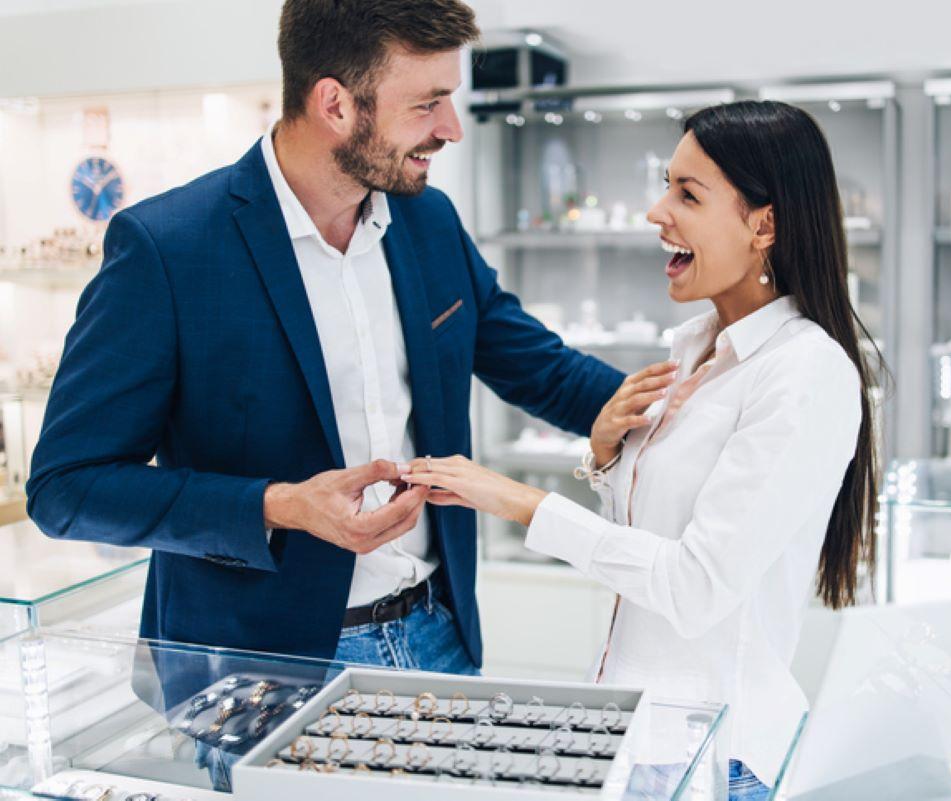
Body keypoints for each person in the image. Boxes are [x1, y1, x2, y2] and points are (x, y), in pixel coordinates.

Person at [26, 0, 621, 683]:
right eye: (428, 104)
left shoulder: (429, 220)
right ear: (335, 104)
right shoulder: (168, 247)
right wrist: (278, 504)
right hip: (259, 667)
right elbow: (66, 488)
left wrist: (694, 397)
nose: (451, 129)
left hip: (439, 639)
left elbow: (541, 368)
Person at [399, 100, 883, 798]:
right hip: (638, 737)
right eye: (666, 185)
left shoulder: (805, 372)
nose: (657, 212)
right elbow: (657, 535)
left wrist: (523, 503)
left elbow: (694, 587)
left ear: (764, 225)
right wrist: (605, 459)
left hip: (718, 756)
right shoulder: (692, 351)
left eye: (687, 194)